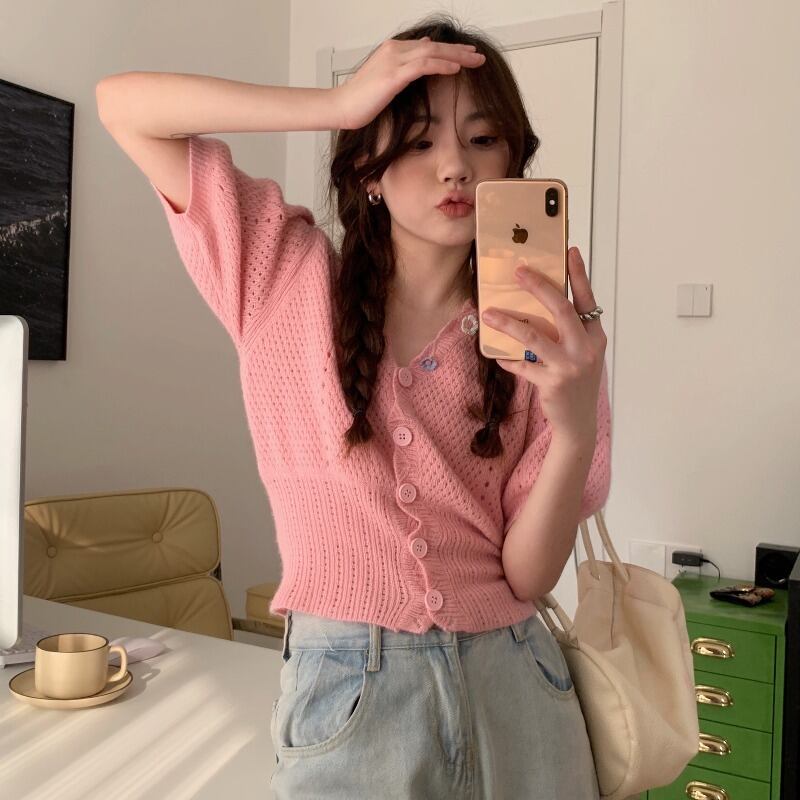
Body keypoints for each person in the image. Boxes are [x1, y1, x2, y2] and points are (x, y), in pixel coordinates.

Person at [97, 12, 611, 799]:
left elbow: (527, 574)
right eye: (418, 140)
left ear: (513, 164)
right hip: (347, 693)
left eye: (482, 140)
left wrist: (573, 429)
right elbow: (124, 106)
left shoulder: (546, 341)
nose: (454, 167)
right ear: (369, 168)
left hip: (518, 692)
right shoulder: (282, 275)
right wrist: (339, 105)